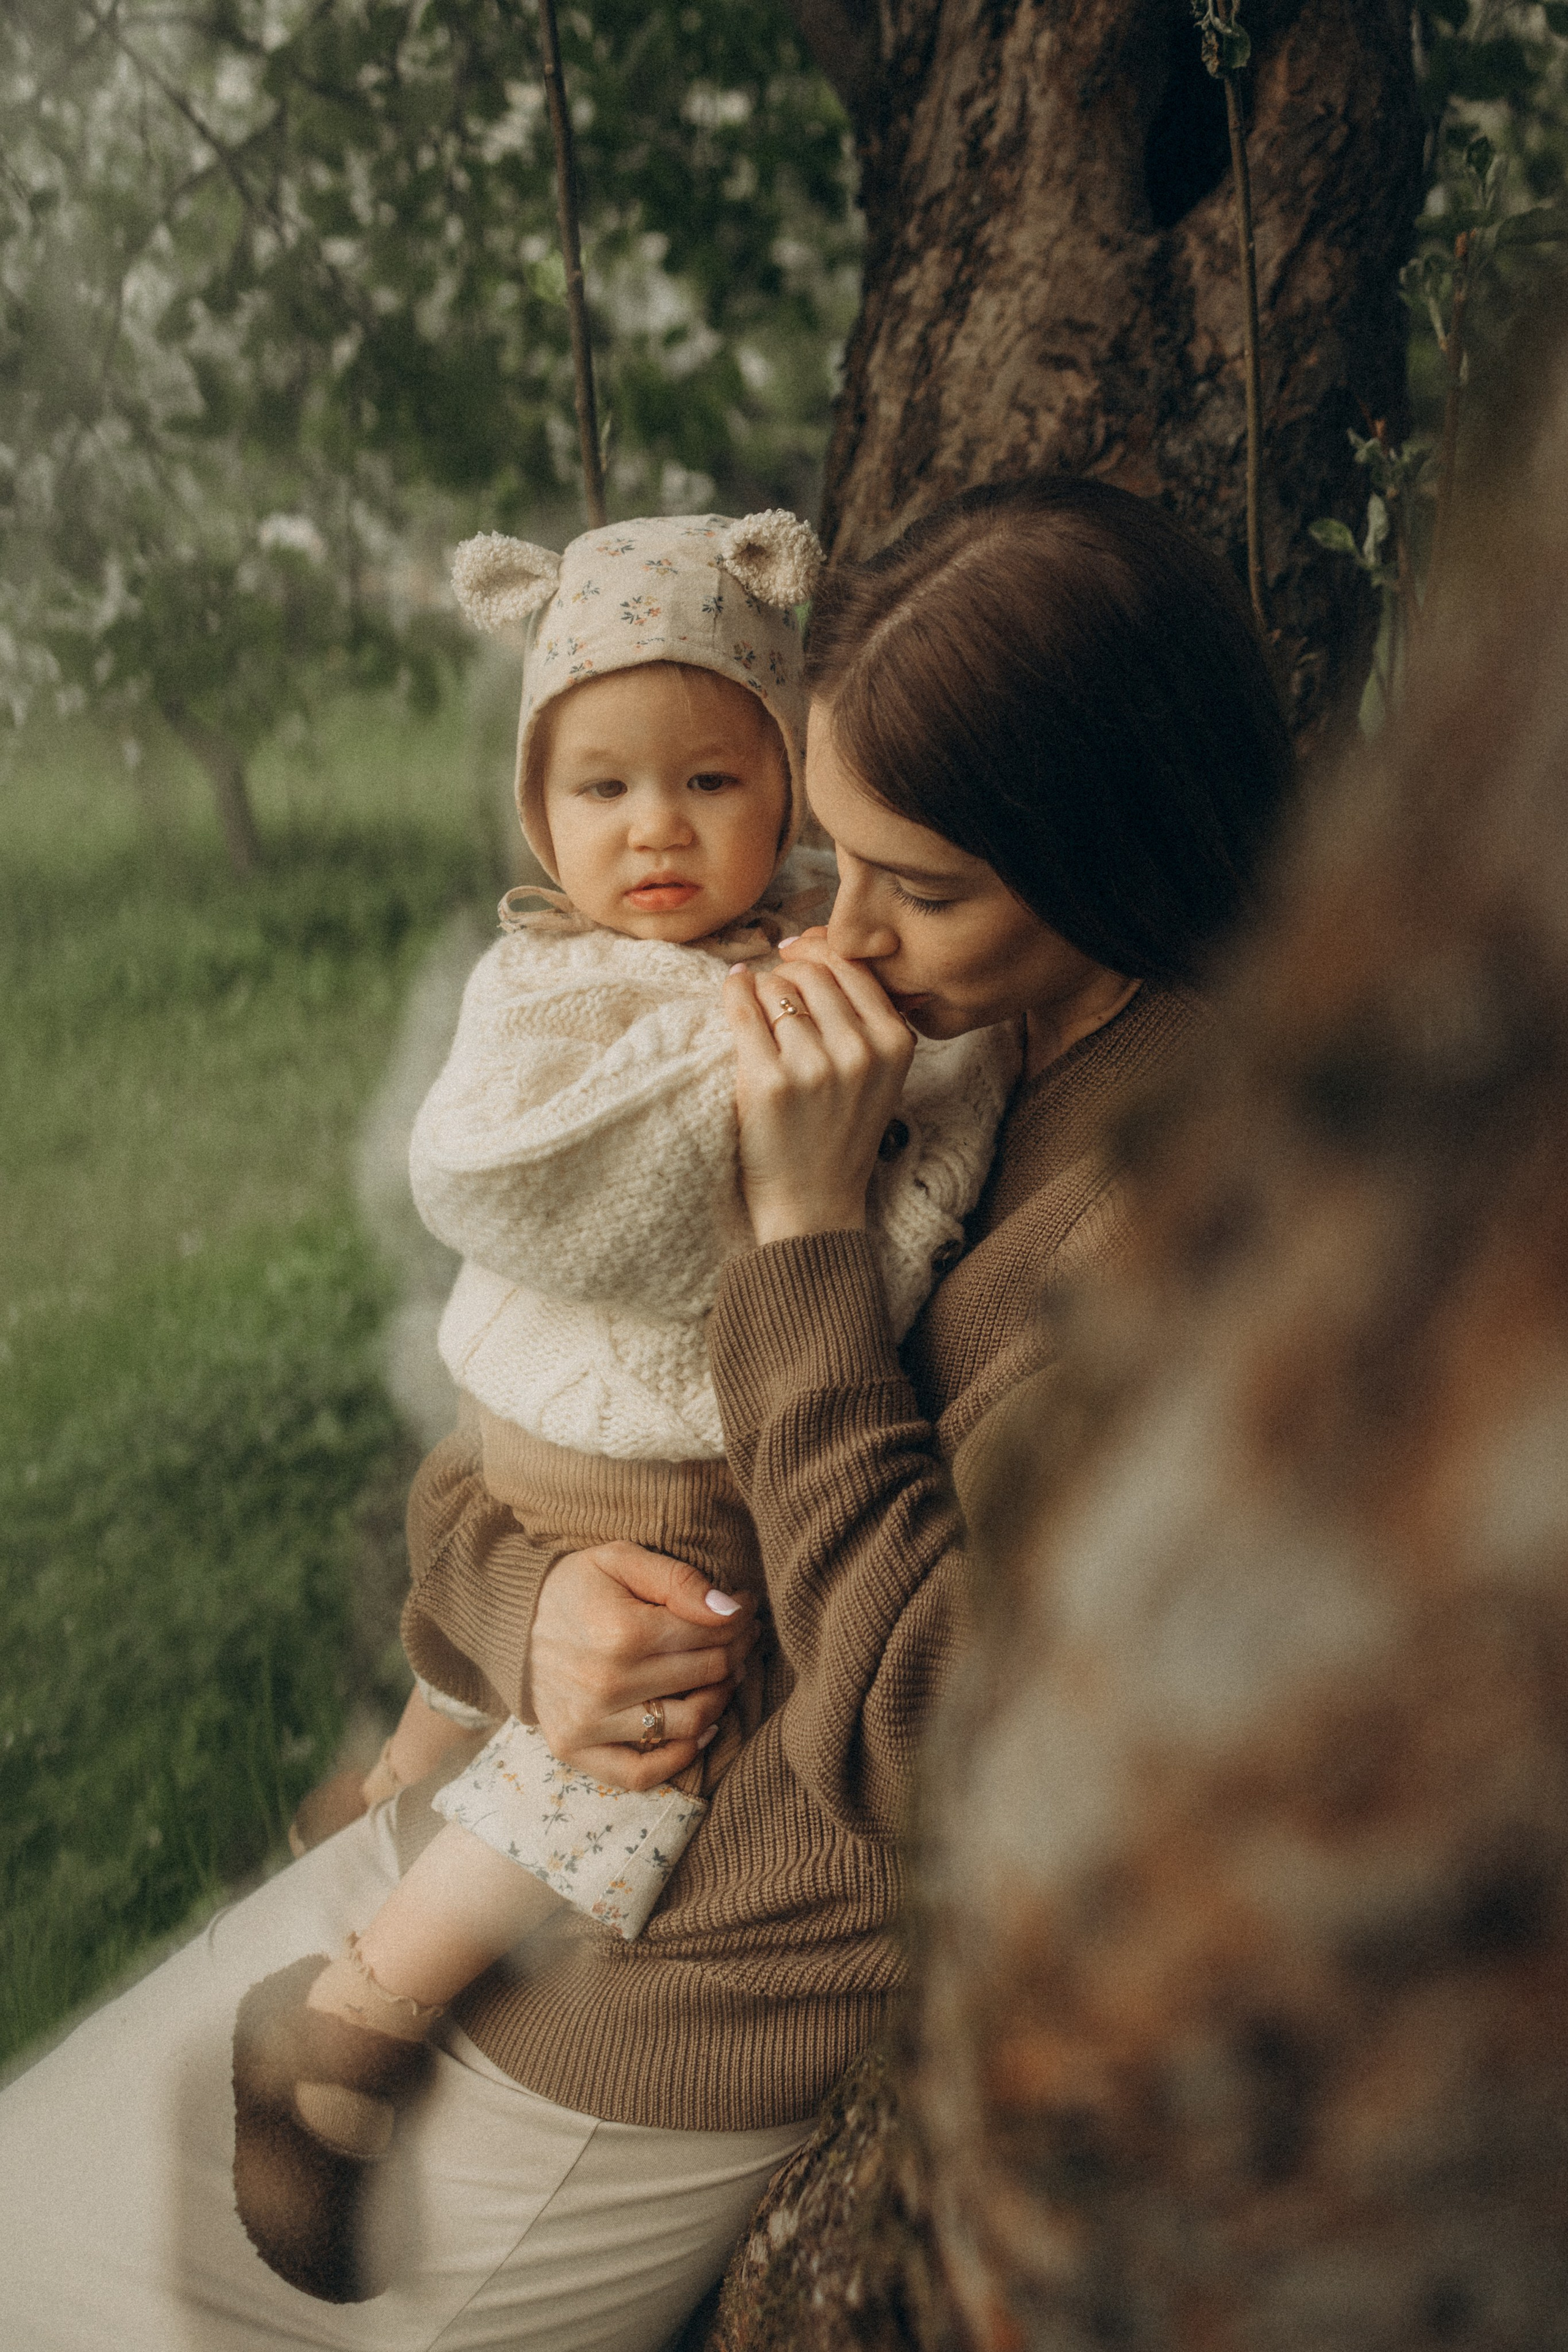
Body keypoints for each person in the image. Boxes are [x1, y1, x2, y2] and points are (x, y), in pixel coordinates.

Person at [0, 477, 1292, 2352]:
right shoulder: (930, 1027)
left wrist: (804, 1237)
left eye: (925, 889)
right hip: (489, 1829)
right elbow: (535, 1423)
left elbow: (946, 1740)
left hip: (655, 1997)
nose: (845, 934)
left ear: (1125, 851)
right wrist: (534, 1612)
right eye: (838, 854)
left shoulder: (1198, 1209)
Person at [229, 511, 1016, 2302]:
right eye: (602, 790)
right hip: (639, 1456)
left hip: (565, 1443)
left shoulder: (801, 950)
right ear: (539, 818)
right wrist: (762, 1070)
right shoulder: (560, 985)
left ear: (783, 790)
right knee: (633, 1752)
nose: (655, 830)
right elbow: (526, 1179)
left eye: (708, 781)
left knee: (507, 1669)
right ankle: (351, 2024)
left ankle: (392, 1786)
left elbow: (935, 1125)